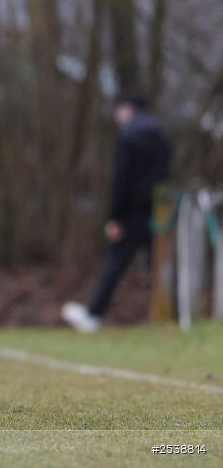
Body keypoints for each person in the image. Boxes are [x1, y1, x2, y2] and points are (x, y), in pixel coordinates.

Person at [62, 92, 171, 333]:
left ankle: (93, 314)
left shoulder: (128, 134)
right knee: (161, 264)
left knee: (115, 263)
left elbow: (121, 179)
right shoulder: (160, 133)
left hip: (131, 212)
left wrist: (115, 216)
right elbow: (165, 171)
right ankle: (171, 314)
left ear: (125, 109)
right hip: (160, 209)